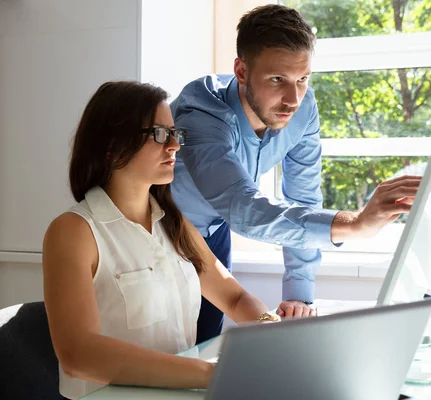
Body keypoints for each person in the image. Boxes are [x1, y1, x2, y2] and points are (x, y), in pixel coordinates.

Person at [170, 4, 421, 344]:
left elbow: (302, 196)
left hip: (215, 236)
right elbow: (242, 206)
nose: (293, 98)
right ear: (241, 71)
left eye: (303, 79)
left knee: (204, 345)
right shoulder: (201, 111)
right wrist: (355, 224)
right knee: (169, 349)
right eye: (277, 79)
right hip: (163, 232)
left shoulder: (303, 108)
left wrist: (299, 293)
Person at [42, 81, 284, 399]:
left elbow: (234, 298)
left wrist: (272, 329)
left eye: (176, 133)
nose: (174, 146)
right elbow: (78, 354)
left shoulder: (174, 223)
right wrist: (213, 374)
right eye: (159, 134)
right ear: (112, 145)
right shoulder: (74, 232)